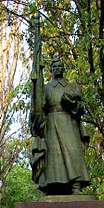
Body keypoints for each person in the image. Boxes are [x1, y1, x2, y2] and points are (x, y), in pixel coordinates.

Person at [30, 57, 90, 195]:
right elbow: (38, 109)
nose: (57, 68)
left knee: (73, 153)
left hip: (70, 123)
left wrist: (73, 104)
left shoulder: (72, 87)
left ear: (64, 68)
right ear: (51, 70)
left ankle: (76, 186)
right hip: (51, 125)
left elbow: (82, 109)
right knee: (53, 157)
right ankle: (52, 186)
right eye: (54, 66)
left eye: (59, 66)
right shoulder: (44, 89)